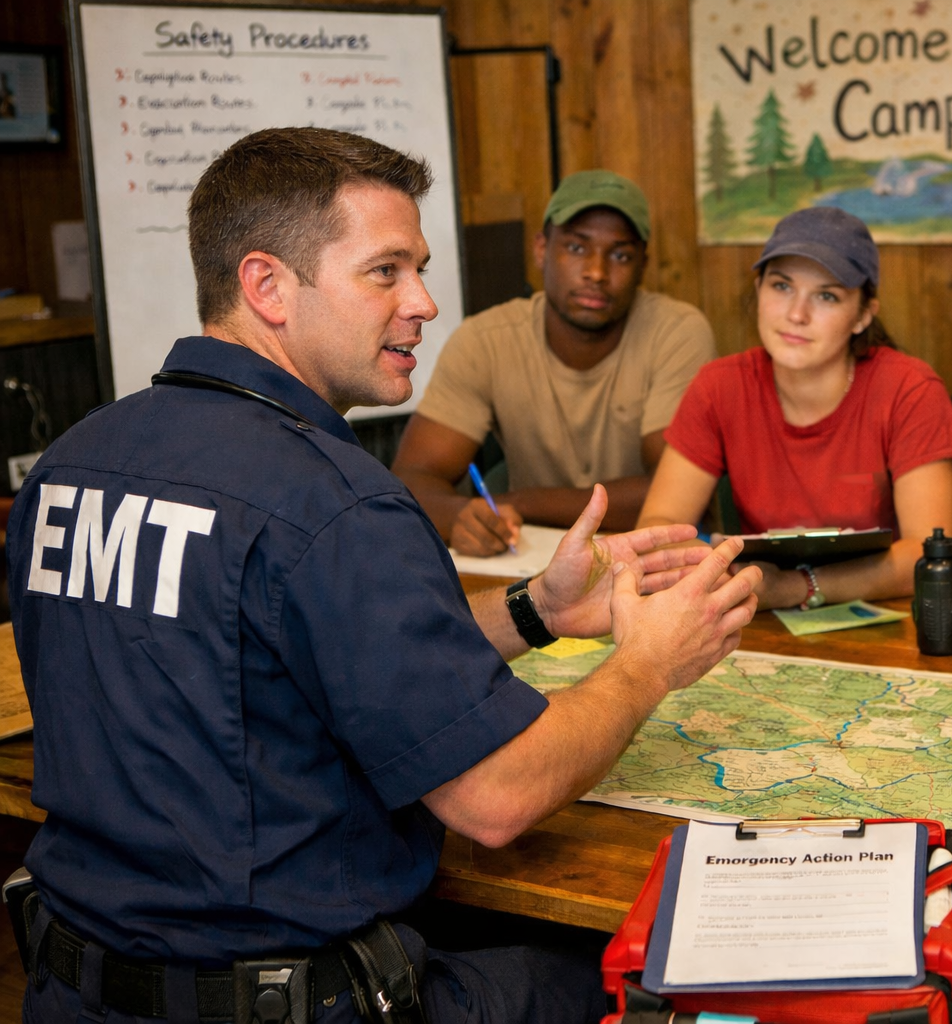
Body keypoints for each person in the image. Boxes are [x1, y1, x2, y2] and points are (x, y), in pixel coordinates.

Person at [7, 127, 760, 1024]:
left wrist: (535, 609)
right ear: (267, 286)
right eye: (386, 272)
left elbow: (294, 654)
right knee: (663, 963)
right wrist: (650, 663)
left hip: (74, 989)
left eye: (421, 269)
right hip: (293, 999)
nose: (425, 303)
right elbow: (494, 797)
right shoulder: (336, 503)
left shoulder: (74, 459)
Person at [636, 206, 952, 610]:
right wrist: (715, 570)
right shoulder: (718, 385)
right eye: (781, 286)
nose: (797, 314)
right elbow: (658, 527)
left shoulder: (910, 389)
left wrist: (794, 587)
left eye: (826, 296)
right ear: (758, 288)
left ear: (864, 315)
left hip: (889, 618)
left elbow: (928, 553)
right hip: (756, 619)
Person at [391, 169, 716, 553]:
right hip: (529, 562)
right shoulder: (485, 340)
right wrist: (461, 515)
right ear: (542, 249)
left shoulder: (677, 333)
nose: (596, 272)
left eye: (621, 254)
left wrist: (520, 503)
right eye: (577, 248)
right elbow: (413, 476)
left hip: (653, 560)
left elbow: (672, 494)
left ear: (643, 263)